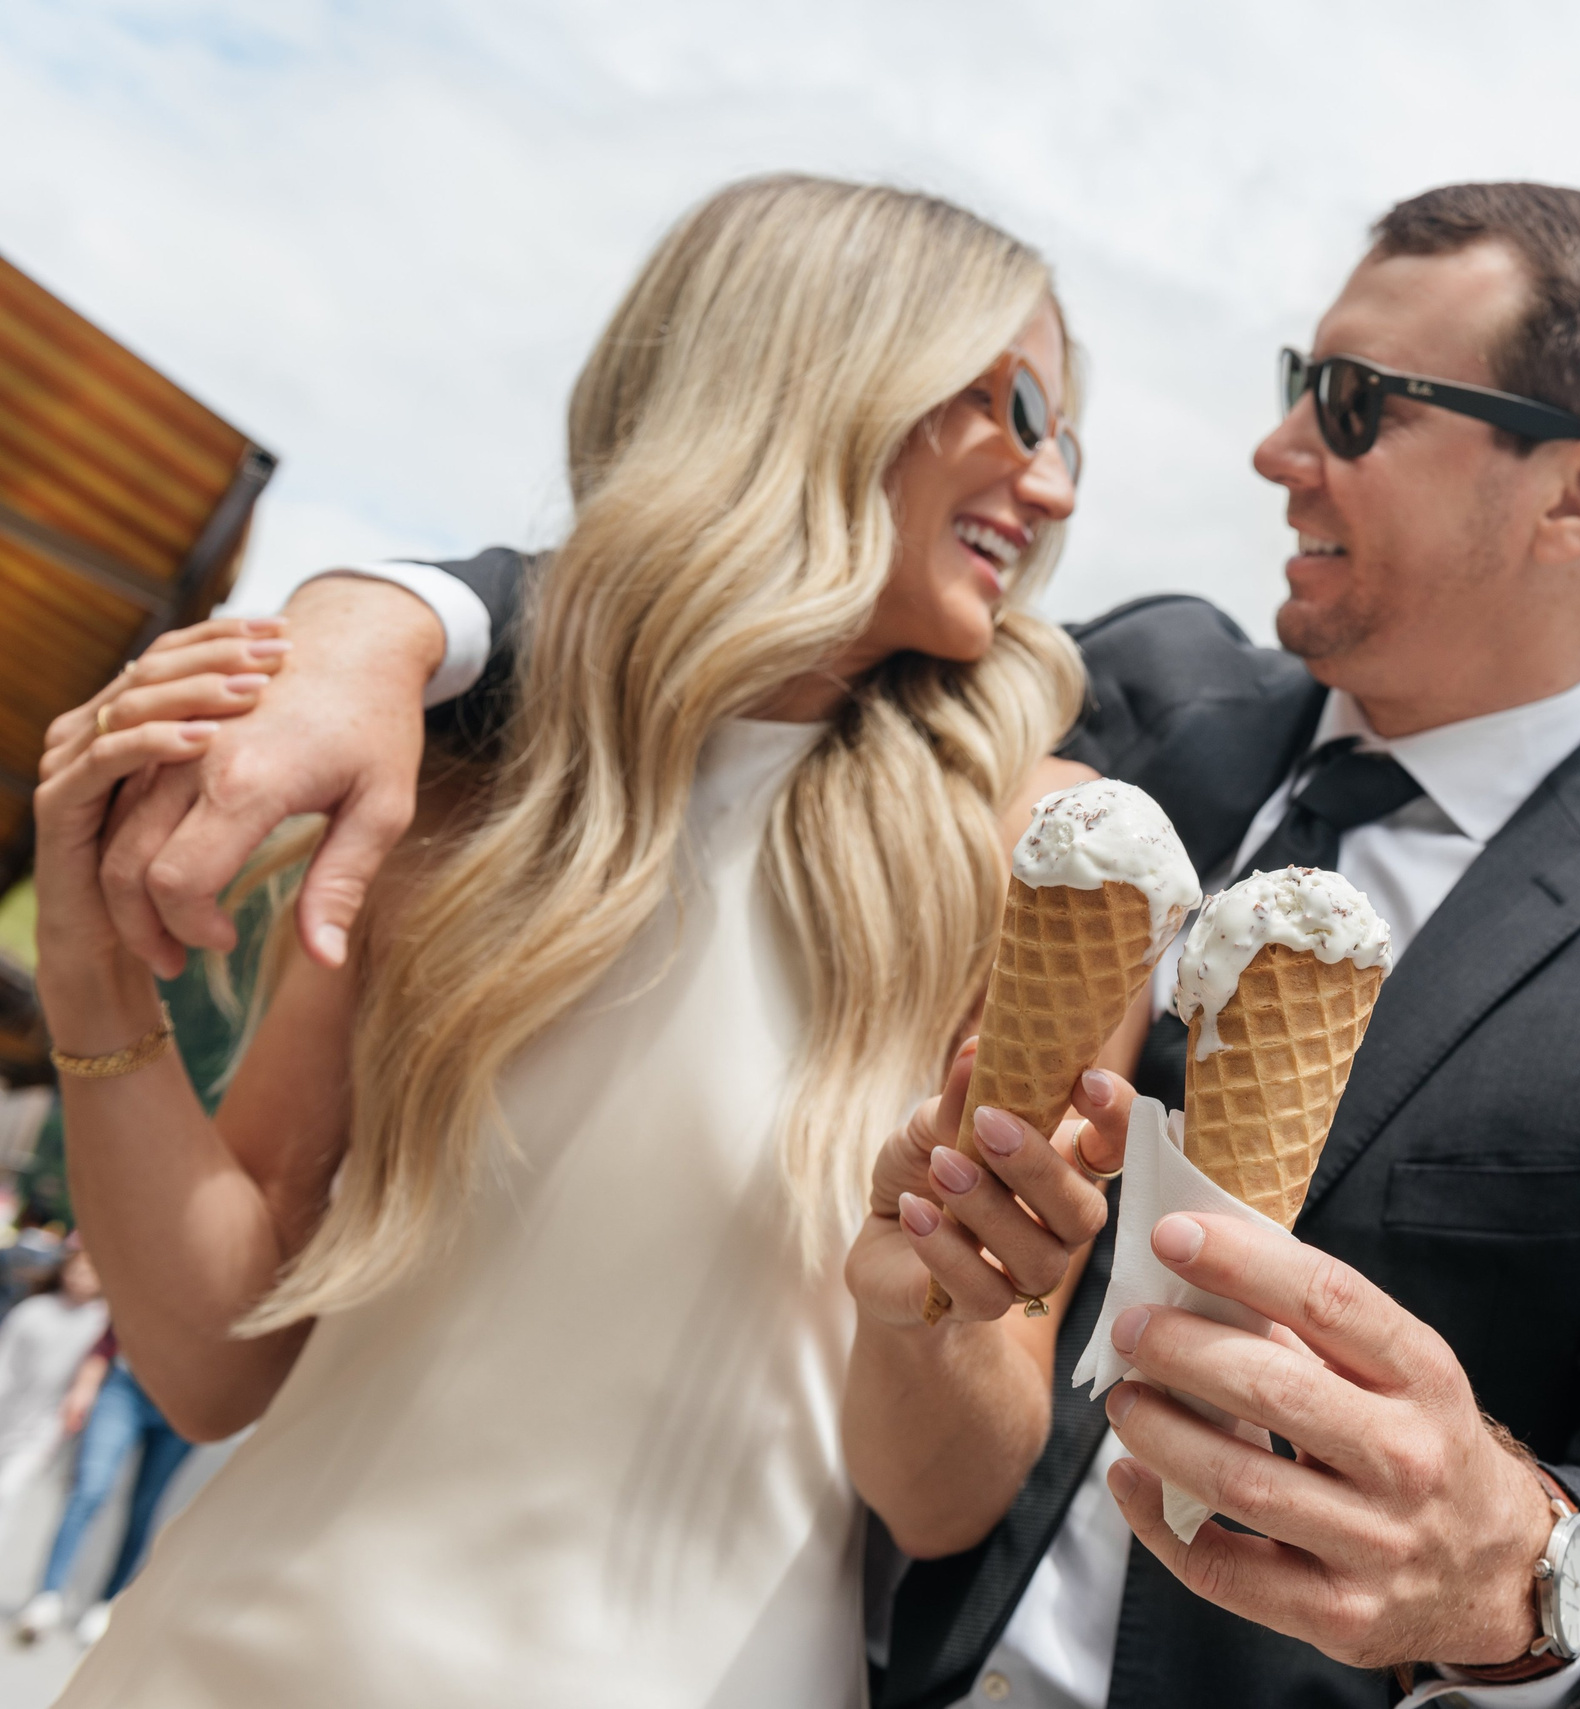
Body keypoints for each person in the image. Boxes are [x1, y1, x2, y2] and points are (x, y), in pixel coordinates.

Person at [98, 182, 1580, 1708]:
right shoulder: (1108, 705)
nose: (1278, 448)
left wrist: (1518, 1563)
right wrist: (374, 622)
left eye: (1356, 403)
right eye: (1300, 382)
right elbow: (694, 617)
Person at [29, 173, 1152, 1705]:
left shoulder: (1056, 857)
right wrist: (98, 982)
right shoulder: (465, 781)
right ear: (813, 370)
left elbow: (944, 1497)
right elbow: (220, 1357)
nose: (1055, 487)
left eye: (1064, 435)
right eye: (1019, 405)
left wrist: (930, 1315)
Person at [13, 1325, 191, 1650]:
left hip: (189, 1402)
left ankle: (107, 1602)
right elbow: (118, 1322)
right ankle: (47, 1595)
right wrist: (87, 1381)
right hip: (128, 1382)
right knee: (89, 1489)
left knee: (144, 1508)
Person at [0, 1247, 110, 1571]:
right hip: (9, 1411)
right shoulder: (34, 1310)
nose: (81, 1279)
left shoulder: (101, 1322)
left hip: (44, 1427)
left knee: (8, 1491)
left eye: (91, 1272)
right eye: (77, 1270)